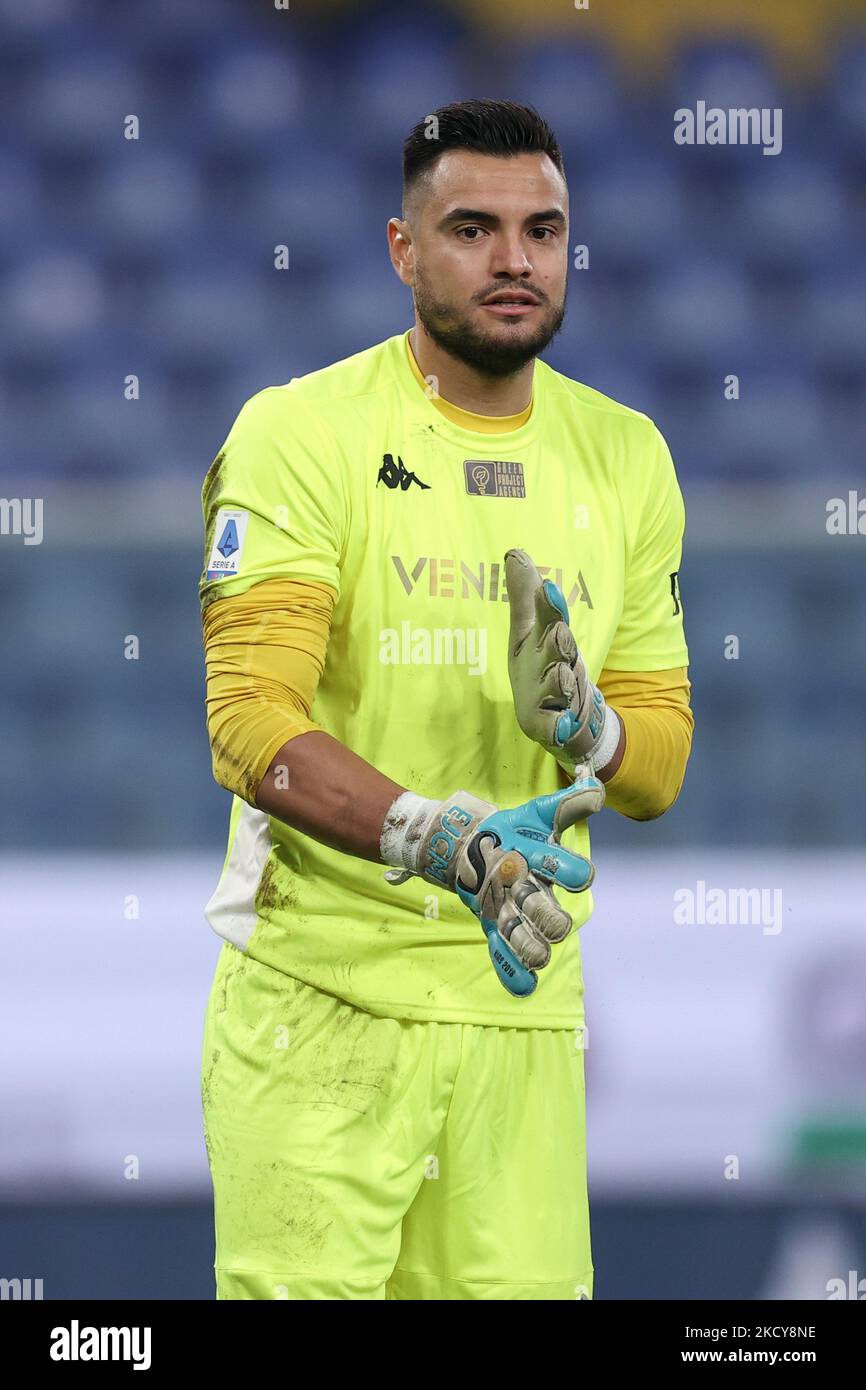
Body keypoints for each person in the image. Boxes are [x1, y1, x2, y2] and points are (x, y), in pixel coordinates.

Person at [198, 98, 693, 1300]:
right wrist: (449, 842)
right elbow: (251, 727)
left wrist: (589, 726)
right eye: (472, 228)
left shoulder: (626, 454)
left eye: (543, 229)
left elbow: (659, 765)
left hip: (518, 1011)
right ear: (401, 249)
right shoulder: (299, 433)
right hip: (323, 1008)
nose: (515, 259)